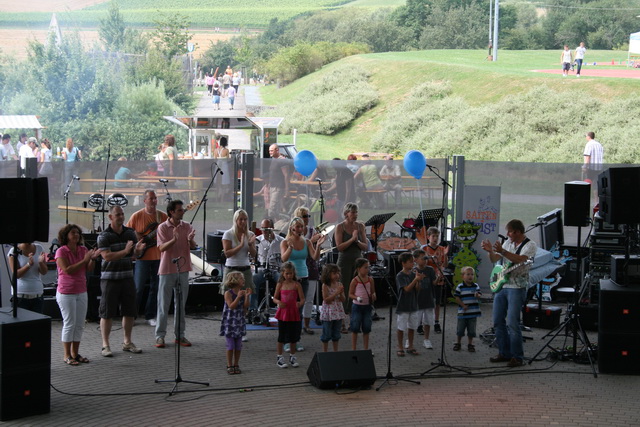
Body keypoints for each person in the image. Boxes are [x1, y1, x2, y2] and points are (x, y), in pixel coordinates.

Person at [481, 219, 537, 367]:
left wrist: (503, 251)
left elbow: (521, 259)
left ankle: (518, 356)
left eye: (510, 232)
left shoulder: (530, 245)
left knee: (512, 322)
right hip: (502, 285)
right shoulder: (508, 243)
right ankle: (504, 353)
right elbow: (495, 259)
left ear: (518, 232)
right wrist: (490, 252)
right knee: (498, 321)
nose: (507, 234)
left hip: (517, 287)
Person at [97, 206, 146, 357]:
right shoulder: (104, 236)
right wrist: (125, 251)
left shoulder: (130, 233)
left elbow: (134, 255)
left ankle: (127, 342)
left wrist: (137, 251)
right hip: (110, 279)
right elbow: (107, 257)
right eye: (117, 214)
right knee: (107, 313)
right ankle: (105, 345)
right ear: (110, 217)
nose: (121, 217)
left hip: (127, 277)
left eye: (122, 214)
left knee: (129, 311)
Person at [55, 224, 101, 365]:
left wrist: (92, 259)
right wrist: (85, 259)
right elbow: (68, 270)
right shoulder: (61, 251)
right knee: (69, 323)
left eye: (78, 233)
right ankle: (66, 355)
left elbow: (89, 268)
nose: (76, 235)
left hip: (81, 291)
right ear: (66, 236)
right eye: (73, 233)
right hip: (66, 292)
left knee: (80, 324)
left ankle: (75, 353)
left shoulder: (83, 249)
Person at [155, 199, 198, 348]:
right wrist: (174, 239)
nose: (182, 212)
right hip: (167, 269)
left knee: (180, 305)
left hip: (183, 269)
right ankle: (160, 336)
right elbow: (161, 248)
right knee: (163, 305)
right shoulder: (162, 227)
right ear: (171, 212)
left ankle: (180, 335)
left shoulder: (187, 226)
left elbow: (193, 246)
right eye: (179, 210)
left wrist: (191, 241)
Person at [281, 216, 325, 351]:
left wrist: (318, 246)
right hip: (290, 279)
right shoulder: (285, 242)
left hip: (304, 278)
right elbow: (283, 258)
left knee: (299, 310)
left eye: (302, 227)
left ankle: (296, 340)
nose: (300, 229)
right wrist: (290, 248)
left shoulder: (307, 242)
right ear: (291, 228)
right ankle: (287, 341)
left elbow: (315, 257)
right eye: (298, 227)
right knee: (290, 310)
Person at [127, 190, 168, 327]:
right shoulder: (137, 216)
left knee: (155, 287)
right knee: (137, 287)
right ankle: (132, 315)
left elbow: (169, 230)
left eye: (155, 198)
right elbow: (128, 231)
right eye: (151, 198)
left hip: (158, 256)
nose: (154, 201)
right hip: (142, 257)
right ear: (144, 200)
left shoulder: (162, 216)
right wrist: (137, 236)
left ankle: (150, 315)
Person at [335, 202, 368, 317]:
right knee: (344, 286)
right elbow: (339, 247)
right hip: (344, 260)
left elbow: (365, 246)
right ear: (346, 214)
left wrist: (357, 241)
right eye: (353, 212)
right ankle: (342, 312)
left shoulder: (360, 226)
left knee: (358, 285)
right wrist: (352, 238)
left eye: (356, 212)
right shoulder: (340, 227)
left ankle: (356, 310)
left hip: (358, 260)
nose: (355, 214)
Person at [293, 206, 323, 335]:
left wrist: (319, 242)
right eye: (305, 216)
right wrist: (312, 241)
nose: (307, 219)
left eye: (308, 216)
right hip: (297, 269)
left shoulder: (313, 231)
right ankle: (295, 325)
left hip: (311, 267)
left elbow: (315, 253)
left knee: (310, 298)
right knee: (296, 298)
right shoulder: (293, 232)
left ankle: (306, 324)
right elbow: (297, 247)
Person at [273, 262, 305, 368]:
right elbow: (275, 298)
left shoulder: (297, 284)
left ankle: (292, 356)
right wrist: (279, 302)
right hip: (283, 313)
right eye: (287, 273)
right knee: (281, 335)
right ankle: (279, 357)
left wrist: (299, 303)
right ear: (282, 273)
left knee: (293, 336)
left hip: (293, 312)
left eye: (290, 273)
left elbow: (302, 298)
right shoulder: (280, 284)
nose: (289, 276)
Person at [222, 209, 257, 306]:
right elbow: (227, 253)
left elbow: (254, 255)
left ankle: (246, 316)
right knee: (230, 296)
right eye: (240, 219)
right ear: (235, 220)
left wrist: (250, 244)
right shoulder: (228, 234)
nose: (243, 222)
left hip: (245, 268)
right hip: (231, 268)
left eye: (245, 219)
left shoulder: (250, 234)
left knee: (246, 295)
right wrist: (241, 245)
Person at [220, 271, 251, 375]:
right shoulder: (228, 293)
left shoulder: (242, 292)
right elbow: (231, 306)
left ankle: (236, 363)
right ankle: (229, 364)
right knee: (230, 345)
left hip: (239, 322)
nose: (244, 280)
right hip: (230, 322)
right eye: (241, 278)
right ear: (235, 281)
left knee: (238, 345)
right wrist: (238, 297)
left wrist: (247, 296)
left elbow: (245, 306)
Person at [252, 218, 283, 311]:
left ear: (272, 228)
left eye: (267, 228)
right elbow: (252, 258)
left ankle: (281, 308)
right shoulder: (257, 241)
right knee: (253, 279)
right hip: (261, 268)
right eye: (262, 228)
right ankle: (252, 309)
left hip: (276, 269)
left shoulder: (281, 240)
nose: (264, 231)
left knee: (284, 281)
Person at [8, 242, 48, 313]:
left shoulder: (39, 248)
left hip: (37, 295)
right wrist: (28, 265)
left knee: (37, 322)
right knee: (22, 323)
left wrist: (41, 263)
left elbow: (44, 272)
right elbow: (16, 274)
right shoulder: (14, 250)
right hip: (21, 296)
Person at [422, 226, 448, 333]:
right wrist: (428, 258)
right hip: (426, 279)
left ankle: (436, 321)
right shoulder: (424, 249)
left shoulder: (442, 249)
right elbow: (420, 263)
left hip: (439, 278)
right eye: (433, 236)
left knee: (437, 302)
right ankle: (421, 322)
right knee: (424, 302)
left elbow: (445, 265)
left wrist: (445, 256)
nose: (435, 238)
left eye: (437, 236)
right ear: (428, 237)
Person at [395, 252, 421, 357]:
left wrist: (418, 280)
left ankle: (410, 345)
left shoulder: (412, 274)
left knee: (412, 327)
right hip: (403, 305)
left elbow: (417, 289)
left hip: (413, 304)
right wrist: (415, 280)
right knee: (401, 327)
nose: (412, 264)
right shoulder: (400, 276)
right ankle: (400, 346)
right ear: (403, 263)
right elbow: (406, 289)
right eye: (410, 262)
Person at [348, 258, 376, 352]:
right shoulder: (355, 280)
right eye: (365, 267)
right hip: (357, 307)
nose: (367, 269)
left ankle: (366, 349)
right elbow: (350, 294)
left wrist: (373, 295)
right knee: (355, 327)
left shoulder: (370, 279)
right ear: (359, 269)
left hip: (367, 306)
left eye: (368, 267)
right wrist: (356, 298)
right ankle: (354, 348)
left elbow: (372, 291)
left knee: (367, 327)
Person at [453, 266, 482, 352]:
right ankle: (458, 343)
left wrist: (478, 295)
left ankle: (470, 344)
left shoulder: (476, 286)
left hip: (473, 313)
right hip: (462, 313)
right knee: (460, 329)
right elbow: (457, 298)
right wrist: (463, 305)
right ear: (462, 276)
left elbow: (479, 294)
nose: (470, 276)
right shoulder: (460, 286)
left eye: (472, 274)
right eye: (468, 274)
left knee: (471, 330)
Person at [412, 249, 436, 350]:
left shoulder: (430, 270)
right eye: (423, 258)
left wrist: (438, 279)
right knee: (414, 322)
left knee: (427, 321)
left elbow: (433, 283)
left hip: (428, 299)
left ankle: (426, 339)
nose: (425, 260)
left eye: (426, 258)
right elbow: (414, 287)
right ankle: (410, 340)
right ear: (416, 259)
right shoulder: (413, 271)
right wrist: (417, 279)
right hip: (417, 300)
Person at [320, 263, 346, 352]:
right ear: (328, 274)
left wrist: (340, 293)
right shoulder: (325, 285)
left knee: (336, 334)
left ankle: (336, 351)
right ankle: (325, 352)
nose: (337, 275)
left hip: (337, 311)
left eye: (338, 273)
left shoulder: (339, 284)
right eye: (334, 273)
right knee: (326, 334)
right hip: (328, 312)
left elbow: (343, 299)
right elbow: (326, 299)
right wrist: (336, 293)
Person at [267, 144, 291, 220]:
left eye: (271, 150)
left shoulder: (282, 160)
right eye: (269, 151)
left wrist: (287, 189)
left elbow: (286, 175)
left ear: (277, 150)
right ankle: (278, 225)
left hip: (278, 188)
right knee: (276, 210)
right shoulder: (274, 159)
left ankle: (286, 219)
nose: (270, 152)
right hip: (272, 187)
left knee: (271, 210)